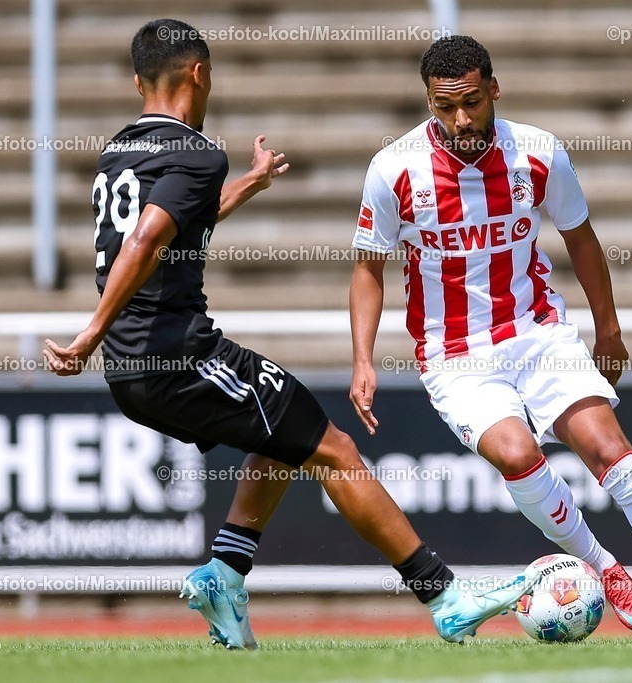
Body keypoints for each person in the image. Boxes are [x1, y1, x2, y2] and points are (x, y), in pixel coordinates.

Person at [44, 19, 535, 650]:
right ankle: (444, 595)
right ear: (201, 73)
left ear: (139, 81)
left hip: (136, 366)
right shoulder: (196, 152)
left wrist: (247, 184)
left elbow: (171, 223)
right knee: (333, 448)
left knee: (284, 434)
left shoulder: (119, 151)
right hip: (175, 355)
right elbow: (145, 241)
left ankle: (225, 572)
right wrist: (90, 333)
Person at [349, 35, 632, 643]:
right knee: (515, 454)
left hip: (539, 332)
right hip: (454, 354)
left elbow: (581, 238)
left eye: (472, 103)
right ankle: (607, 569)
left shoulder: (538, 152)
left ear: (494, 90)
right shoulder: (394, 169)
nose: (460, 119)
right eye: (444, 107)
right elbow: (368, 268)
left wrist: (608, 330)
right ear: (428, 101)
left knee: (610, 449)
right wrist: (362, 360)